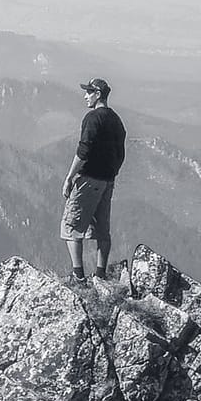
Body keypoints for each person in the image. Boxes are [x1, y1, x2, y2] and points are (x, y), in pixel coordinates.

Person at [60, 77, 125, 284]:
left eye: (89, 92)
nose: (85, 95)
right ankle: (100, 274)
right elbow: (120, 154)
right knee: (102, 230)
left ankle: (78, 276)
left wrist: (70, 177)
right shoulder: (116, 120)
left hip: (88, 179)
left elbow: (83, 151)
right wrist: (111, 175)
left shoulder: (92, 118)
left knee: (71, 227)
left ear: (98, 94)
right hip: (107, 181)